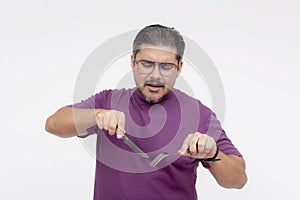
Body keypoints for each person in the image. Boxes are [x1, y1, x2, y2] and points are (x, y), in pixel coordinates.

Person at [45, 24, 247, 200]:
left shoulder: (199, 114)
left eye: (166, 67)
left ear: (179, 68)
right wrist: (96, 115)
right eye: (146, 64)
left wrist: (213, 153)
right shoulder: (108, 101)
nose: (155, 76)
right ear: (133, 62)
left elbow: (238, 180)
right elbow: (53, 125)